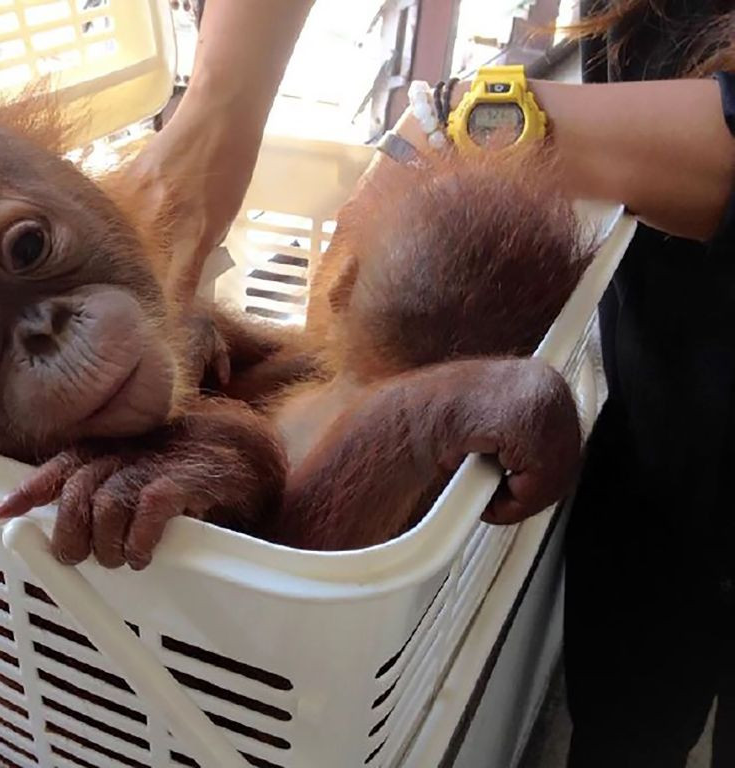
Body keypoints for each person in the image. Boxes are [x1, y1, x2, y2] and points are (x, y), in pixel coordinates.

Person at [127, 2, 735, 766]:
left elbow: (300, 555)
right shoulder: (347, 385)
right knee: (628, 705)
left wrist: (470, 119)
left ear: (339, 285)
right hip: (667, 426)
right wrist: (219, 108)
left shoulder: (408, 427)